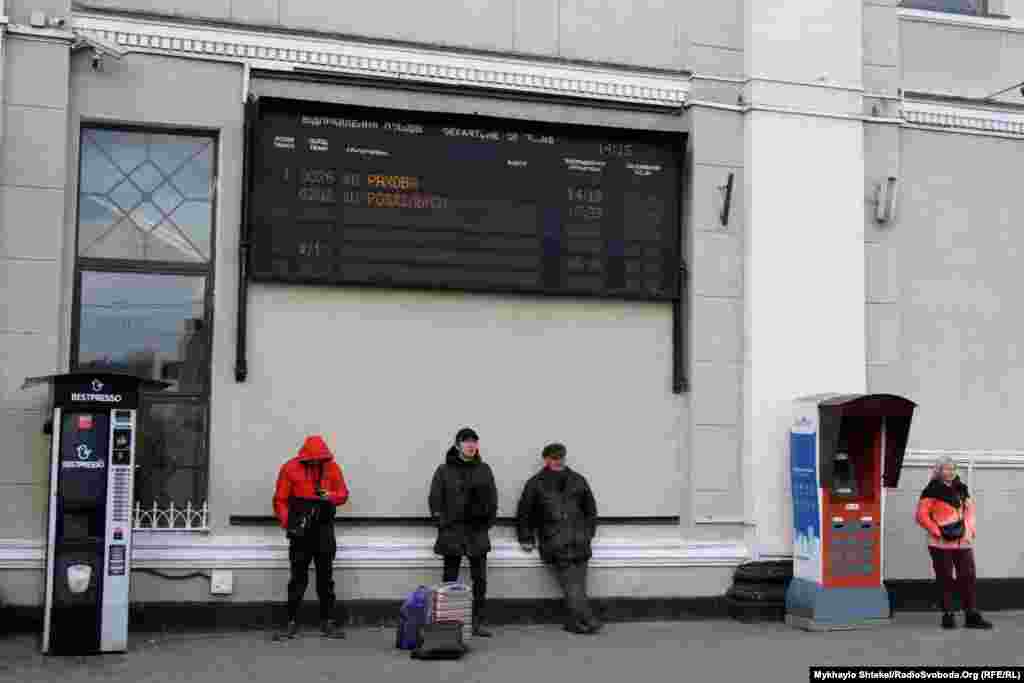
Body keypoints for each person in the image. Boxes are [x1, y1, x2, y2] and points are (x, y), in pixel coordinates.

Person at [516, 443, 601, 634]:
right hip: (555, 542)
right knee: (572, 584)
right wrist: (526, 538)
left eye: (560, 457)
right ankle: (587, 618)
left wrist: (588, 533)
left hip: (579, 541)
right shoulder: (536, 483)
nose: (558, 461)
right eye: (554, 458)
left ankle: (574, 622)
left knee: (578, 585)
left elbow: (590, 510)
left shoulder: (578, 480)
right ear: (546, 459)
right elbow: (524, 513)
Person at [272, 435, 350, 640]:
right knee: (298, 578)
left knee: (326, 578)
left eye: (320, 459)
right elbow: (280, 500)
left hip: (324, 528)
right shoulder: (290, 468)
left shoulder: (332, 468)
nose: (316, 462)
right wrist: (289, 523)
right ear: (304, 457)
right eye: (312, 459)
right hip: (301, 529)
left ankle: (328, 622)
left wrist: (330, 496)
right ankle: (291, 621)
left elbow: (343, 494)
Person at [428, 427, 498, 637]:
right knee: (450, 578)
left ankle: (477, 621)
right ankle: (449, 621)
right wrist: (442, 522)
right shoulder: (444, 470)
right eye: (467, 442)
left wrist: (488, 522)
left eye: (474, 442)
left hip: (477, 531)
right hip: (453, 530)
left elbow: (493, 498)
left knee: (480, 579)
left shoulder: (484, 469)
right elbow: (435, 499)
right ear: (458, 445)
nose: (471, 445)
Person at [915, 456, 992, 630]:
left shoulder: (962, 489)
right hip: (939, 543)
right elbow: (921, 515)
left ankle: (971, 614)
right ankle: (948, 615)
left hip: (963, 542)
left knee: (968, 576)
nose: (949, 472)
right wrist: (937, 532)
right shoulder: (931, 490)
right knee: (945, 578)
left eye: (952, 468)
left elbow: (970, 511)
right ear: (938, 471)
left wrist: (970, 530)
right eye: (945, 469)